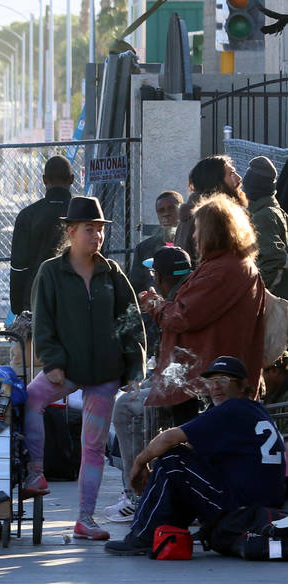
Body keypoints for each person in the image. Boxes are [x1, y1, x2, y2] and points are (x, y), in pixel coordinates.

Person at [22, 196, 146, 541]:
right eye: (89, 229)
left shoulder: (112, 272)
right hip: (68, 369)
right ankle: (35, 473)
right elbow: (43, 323)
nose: (97, 236)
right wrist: (54, 362)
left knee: (92, 448)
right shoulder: (51, 272)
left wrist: (134, 369)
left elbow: (130, 322)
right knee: (31, 399)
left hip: (105, 374)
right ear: (71, 231)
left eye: (100, 230)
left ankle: (85, 520)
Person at [105, 356, 286, 555]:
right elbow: (196, 450)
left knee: (173, 459)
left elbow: (169, 439)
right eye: (211, 381)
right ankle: (168, 532)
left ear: (243, 386)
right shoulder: (256, 411)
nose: (216, 387)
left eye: (224, 381)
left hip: (243, 509)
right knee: (189, 463)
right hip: (261, 506)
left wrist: (138, 464)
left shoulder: (232, 409)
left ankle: (143, 536)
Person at [139, 195, 266, 419]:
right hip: (212, 380)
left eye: (197, 228)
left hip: (208, 383)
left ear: (212, 231)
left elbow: (181, 316)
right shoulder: (230, 265)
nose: (194, 235)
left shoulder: (223, 270)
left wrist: (154, 303)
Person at [104, 246, 192, 524]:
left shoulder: (183, 298)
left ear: (164, 277)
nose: (153, 278)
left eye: (155, 273)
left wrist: (155, 307)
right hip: (175, 382)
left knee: (126, 407)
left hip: (185, 390)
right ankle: (136, 491)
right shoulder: (180, 294)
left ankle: (137, 495)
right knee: (130, 398)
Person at [9, 155, 75, 316]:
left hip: (35, 296)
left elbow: (18, 265)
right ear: (72, 179)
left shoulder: (28, 215)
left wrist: (17, 305)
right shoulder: (82, 214)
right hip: (74, 294)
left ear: (45, 180)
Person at [175, 155, 246, 260]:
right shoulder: (211, 216)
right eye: (231, 174)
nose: (239, 178)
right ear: (215, 182)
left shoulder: (202, 214)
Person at [243, 156, 288, 300]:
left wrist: (258, 293)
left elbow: (274, 259)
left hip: (273, 298)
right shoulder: (273, 211)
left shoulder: (263, 216)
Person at [127, 191, 183, 296]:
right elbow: (136, 287)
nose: (166, 214)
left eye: (171, 208)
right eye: (161, 211)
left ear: (181, 211)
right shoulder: (144, 248)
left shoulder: (194, 243)